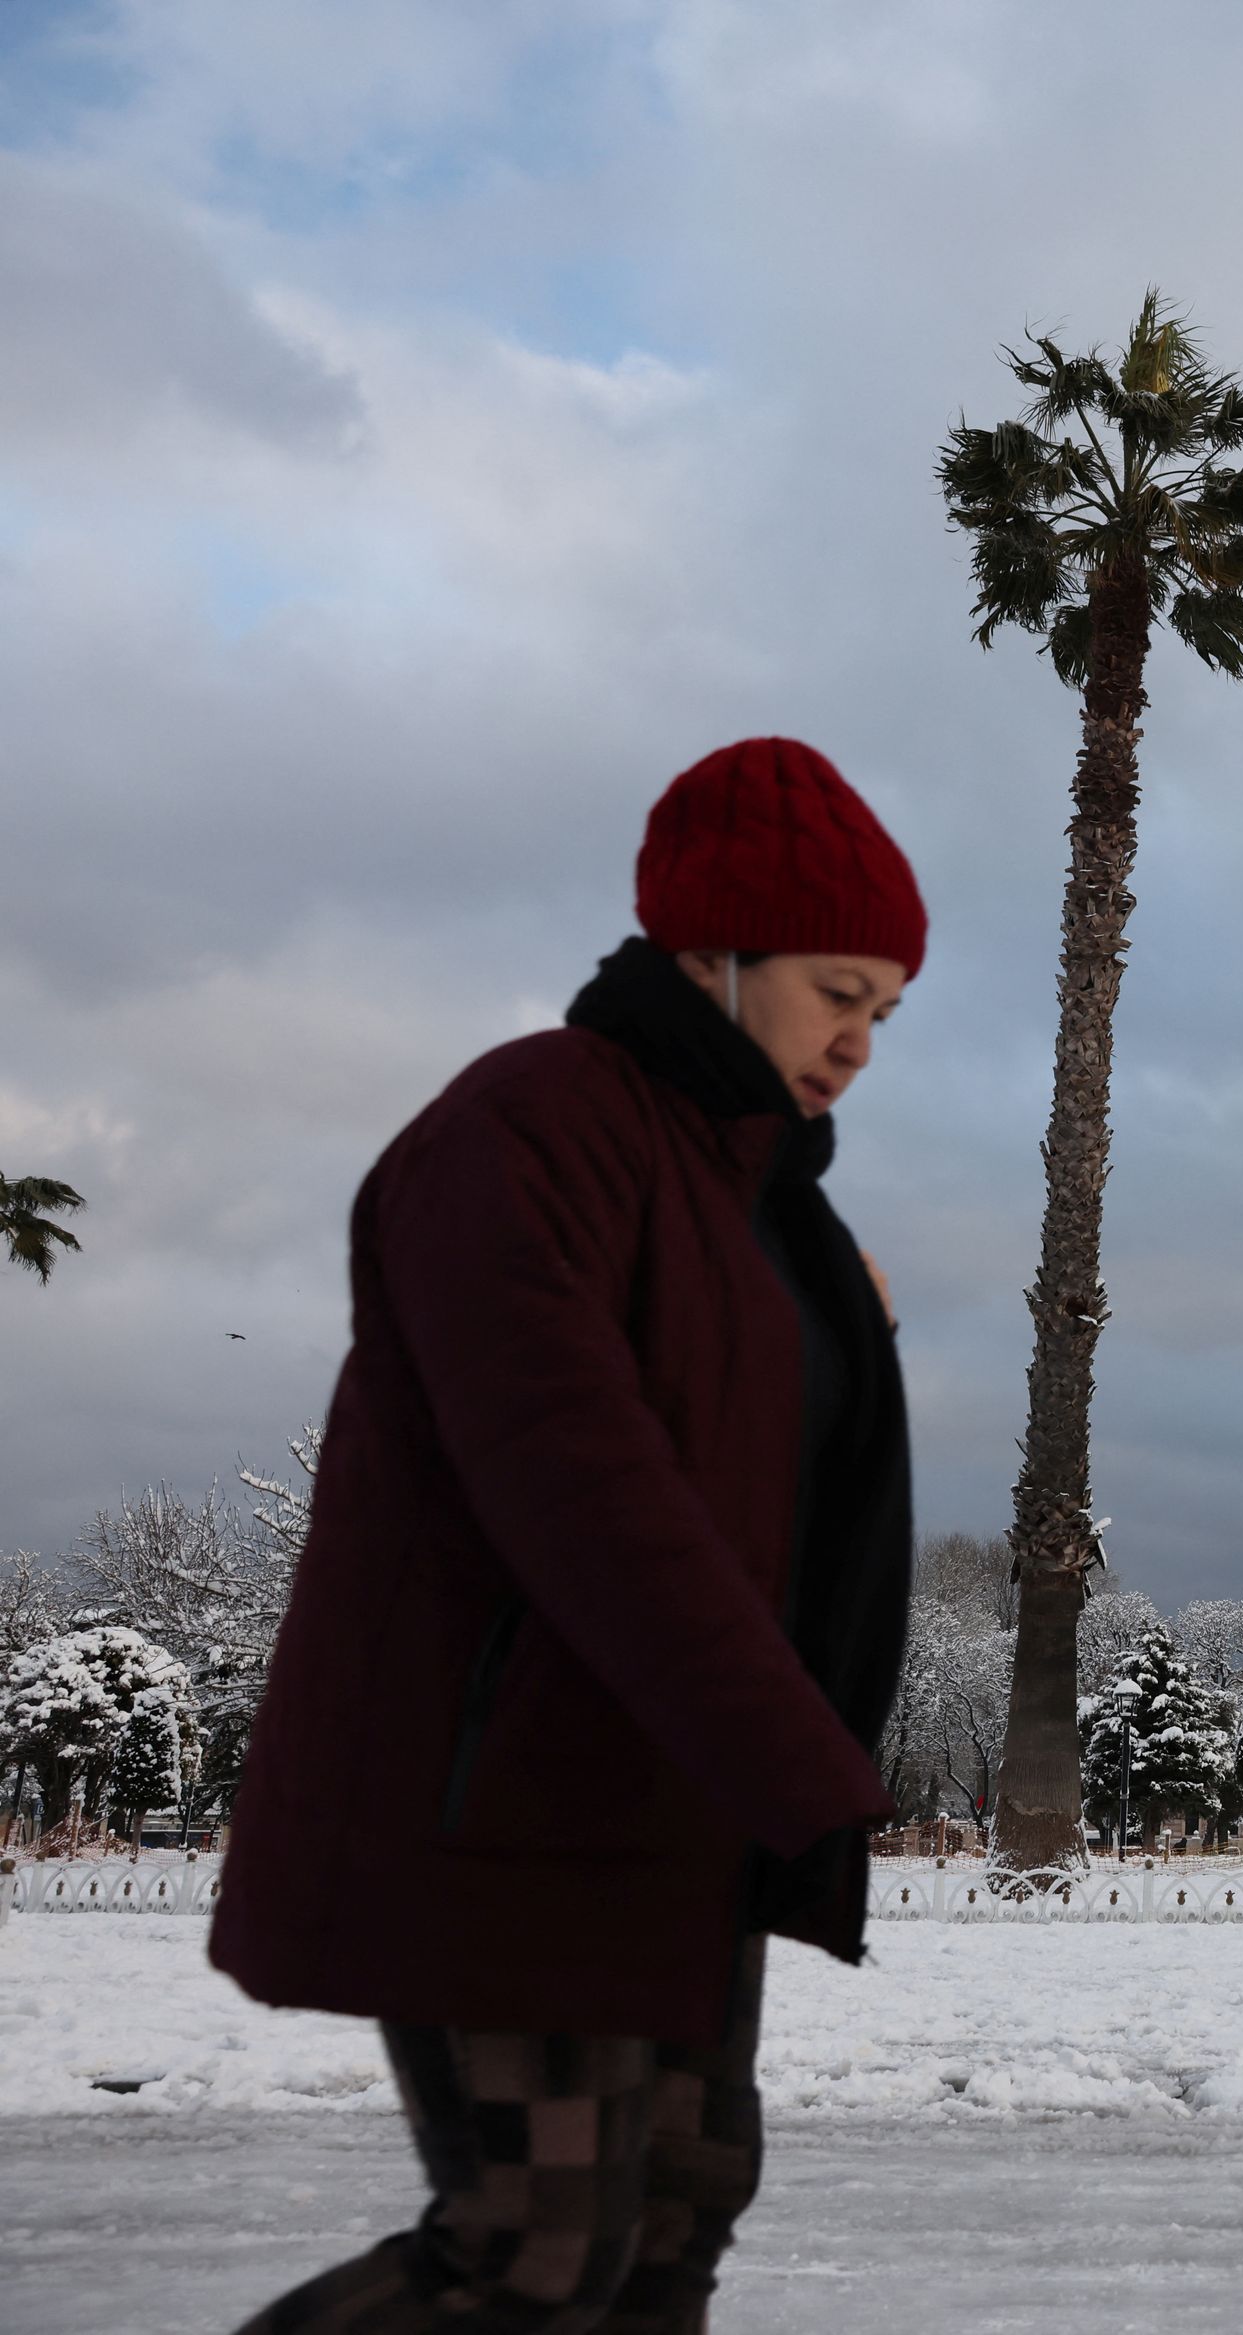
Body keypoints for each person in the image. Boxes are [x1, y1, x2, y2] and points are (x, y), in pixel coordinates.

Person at [210, 737, 927, 2331]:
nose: (864, 1041)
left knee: (671, 2226)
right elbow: (572, 1475)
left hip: (676, 1809)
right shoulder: (529, 1127)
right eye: (836, 990)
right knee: (532, 2251)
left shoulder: (767, 1207)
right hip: (498, 1802)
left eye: (888, 1007)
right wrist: (793, 1755)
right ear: (711, 953)